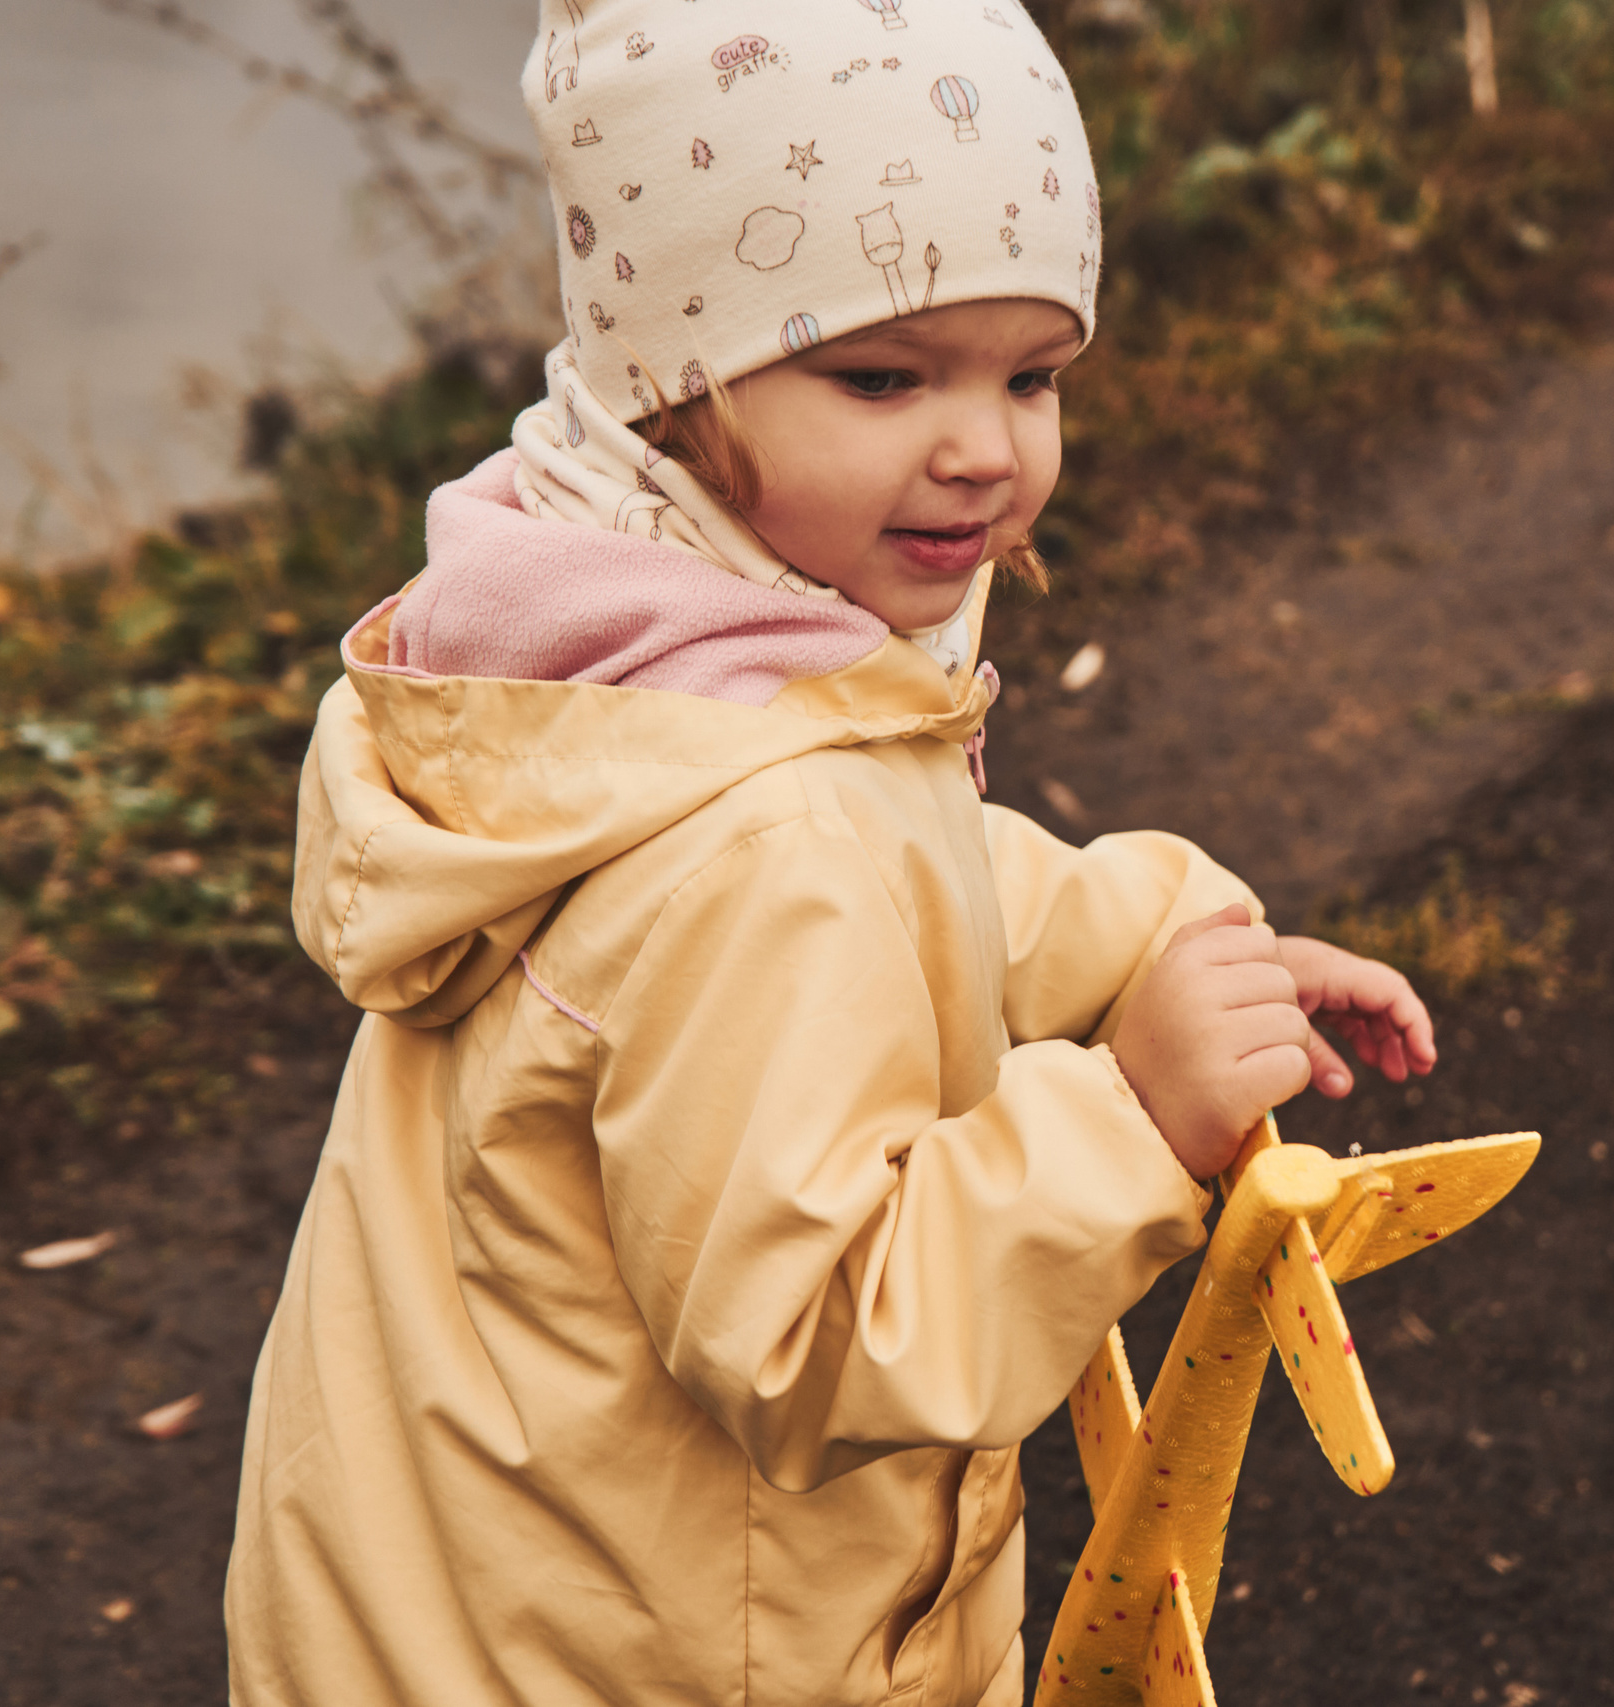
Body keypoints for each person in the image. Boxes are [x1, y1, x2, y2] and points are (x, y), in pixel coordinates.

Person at [225, 4, 1435, 1703]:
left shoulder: (634, 666)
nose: (984, 447)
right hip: (645, 1658)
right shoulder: (754, 835)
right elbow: (812, 1338)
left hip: (462, 1594)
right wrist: (1131, 1119)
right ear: (676, 381)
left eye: (1033, 375)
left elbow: (910, 876)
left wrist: (1150, 938)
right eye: (882, 375)